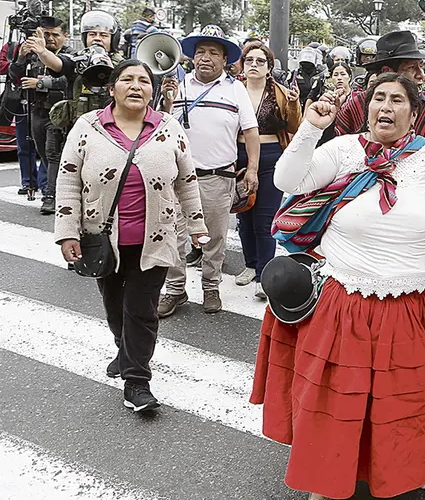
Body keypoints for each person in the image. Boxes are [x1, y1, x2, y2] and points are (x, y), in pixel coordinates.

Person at [252, 73, 425, 500]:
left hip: (411, 304)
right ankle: (326, 479)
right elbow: (288, 181)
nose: (385, 107)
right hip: (345, 300)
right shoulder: (344, 148)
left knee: (399, 403)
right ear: (367, 108)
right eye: (379, 99)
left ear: (414, 113)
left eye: (397, 101)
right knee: (337, 400)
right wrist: (312, 127)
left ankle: (391, 472)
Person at [54, 60, 208, 413]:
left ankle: (136, 381)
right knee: (114, 306)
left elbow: (187, 180)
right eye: (127, 79)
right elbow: (67, 180)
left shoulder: (169, 128)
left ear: (153, 91)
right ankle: (124, 348)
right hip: (101, 240)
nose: (136, 85)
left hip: (155, 240)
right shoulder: (88, 126)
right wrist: (66, 233)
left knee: (141, 310)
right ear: (112, 89)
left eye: (143, 80)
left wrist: (197, 226)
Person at [158, 25, 261, 317]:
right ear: (191, 57)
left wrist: (251, 169)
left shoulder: (235, 88)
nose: (205, 58)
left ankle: (211, 286)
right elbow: (162, 127)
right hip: (177, 179)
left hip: (219, 176)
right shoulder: (178, 85)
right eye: (200, 52)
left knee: (213, 237)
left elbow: (251, 131)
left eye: (213, 53)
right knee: (174, 236)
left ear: (224, 59)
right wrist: (167, 100)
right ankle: (175, 290)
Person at [232, 42, 302, 298]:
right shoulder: (233, 90)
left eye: (260, 61)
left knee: (265, 218)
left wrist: (294, 104)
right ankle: (250, 264)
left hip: (271, 155)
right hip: (238, 156)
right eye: (249, 60)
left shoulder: (281, 93)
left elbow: (295, 124)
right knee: (243, 215)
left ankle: (264, 274)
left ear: (269, 67)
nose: (254, 65)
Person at [8, 17, 74, 215]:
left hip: (59, 113)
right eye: (46, 34)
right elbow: (13, 74)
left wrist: (40, 83)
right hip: (37, 111)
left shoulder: (70, 56)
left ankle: (50, 196)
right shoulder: (34, 54)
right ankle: (58, 188)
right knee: (44, 154)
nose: (50, 39)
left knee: (53, 153)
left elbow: (66, 79)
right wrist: (21, 58)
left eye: (55, 35)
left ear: (65, 36)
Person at [0, 39, 47, 194]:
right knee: (24, 145)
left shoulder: (47, 46)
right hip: (20, 99)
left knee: (46, 144)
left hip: (44, 101)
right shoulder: (13, 47)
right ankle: (28, 182)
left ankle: (45, 183)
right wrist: (20, 57)